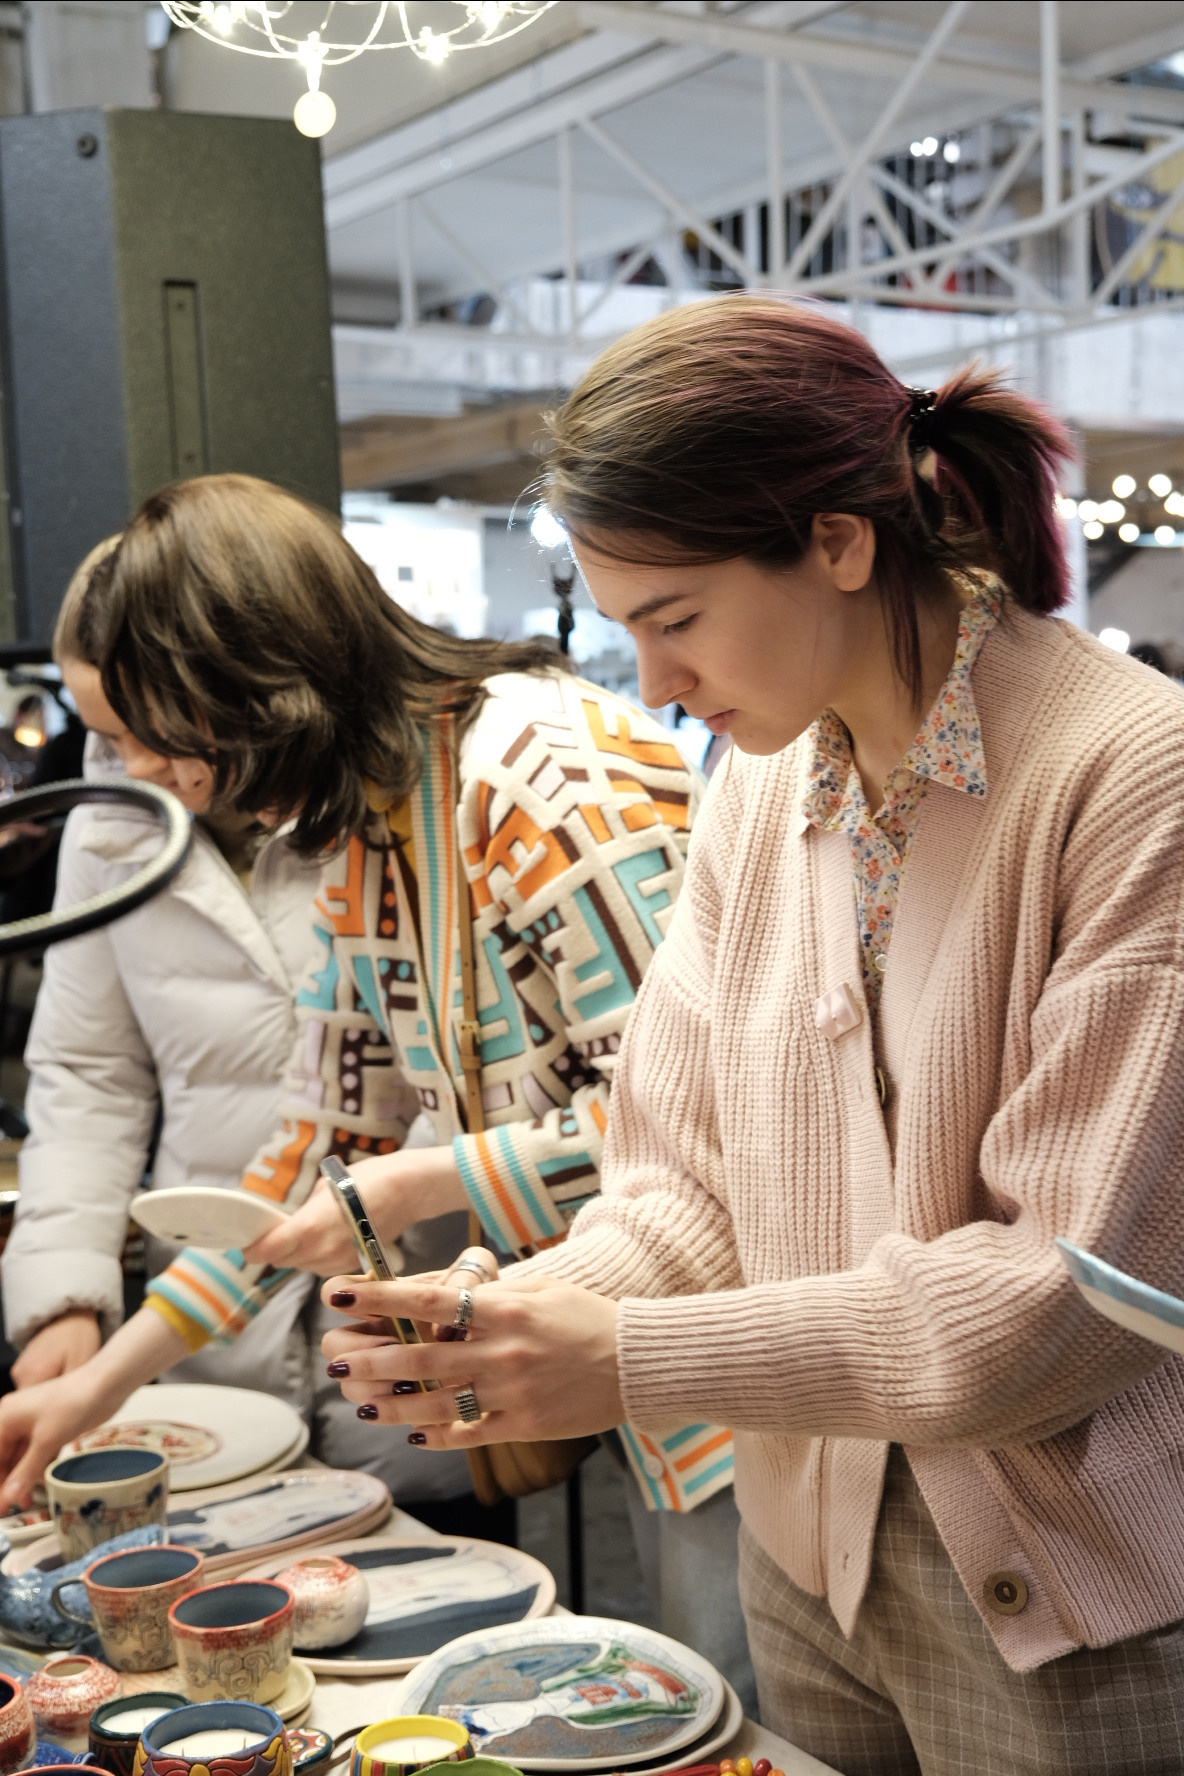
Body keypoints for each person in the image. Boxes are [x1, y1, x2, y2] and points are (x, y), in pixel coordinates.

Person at [307, 297, 1184, 1775]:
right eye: (625, 626)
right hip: (810, 1560)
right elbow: (690, 1184)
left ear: (839, 542)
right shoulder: (764, 785)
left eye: (677, 618)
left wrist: (632, 1358)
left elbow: (1071, 1300)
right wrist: (518, 1325)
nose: (651, 682)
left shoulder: (1126, 777)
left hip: (1076, 1600)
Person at [0, 479, 748, 1665]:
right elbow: (319, 1149)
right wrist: (99, 1385)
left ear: (242, 682)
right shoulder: (371, 825)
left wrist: (411, 1186)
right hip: (613, 1357)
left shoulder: (541, 774)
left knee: (756, 1696)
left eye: (149, 732)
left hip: (742, 1367)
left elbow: (712, 1124)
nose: (145, 772)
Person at [0, 537, 338, 1429]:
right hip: (202, 1325)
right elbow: (87, 1075)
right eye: (106, 736)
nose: (134, 763)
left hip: (386, 1309)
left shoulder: (372, 806)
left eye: (144, 728)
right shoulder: (109, 828)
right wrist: (63, 1294)